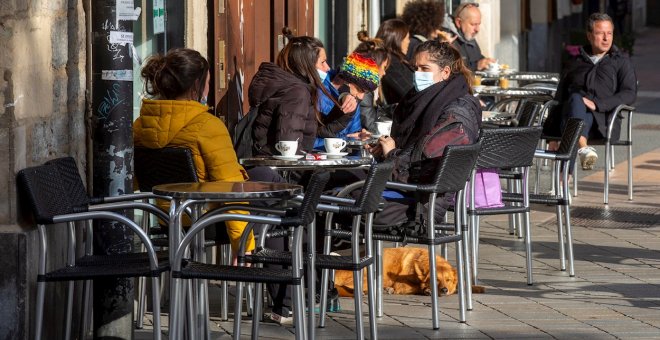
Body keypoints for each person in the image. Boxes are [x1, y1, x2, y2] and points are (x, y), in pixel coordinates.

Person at [133, 48, 255, 255]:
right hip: (206, 221)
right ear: (196, 86)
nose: (209, 88)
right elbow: (230, 188)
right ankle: (274, 280)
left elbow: (134, 179)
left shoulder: (140, 126)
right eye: (207, 82)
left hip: (166, 218)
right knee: (274, 210)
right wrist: (243, 245)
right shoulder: (208, 125)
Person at [366, 40, 481, 225]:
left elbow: (426, 169)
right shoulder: (424, 100)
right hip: (409, 189)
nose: (417, 74)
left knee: (342, 196)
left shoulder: (454, 112)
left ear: (445, 72)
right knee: (339, 186)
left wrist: (391, 154)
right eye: (415, 68)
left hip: (422, 204)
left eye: (425, 69)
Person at [547, 12, 636, 170]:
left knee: (574, 115)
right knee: (575, 101)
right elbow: (559, 97)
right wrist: (550, 136)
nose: (606, 38)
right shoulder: (575, 63)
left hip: (603, 124)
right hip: (571, 120)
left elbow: (629, 93)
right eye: (600, 33)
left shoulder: (621, 62)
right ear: (589, 36)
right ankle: (583, 147)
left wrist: (599, 104)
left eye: (609, 33)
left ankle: (563, 181)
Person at [248, 32, 331, 156]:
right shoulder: (297, 92)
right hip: (278, 167)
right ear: (306, 64)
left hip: (271, 161)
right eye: (323, 62)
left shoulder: (292, 87)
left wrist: (345, 112)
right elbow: (289, 149)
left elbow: (308, 129)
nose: (328, 68)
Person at [443, 2, 496, 71]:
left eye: (478, 24)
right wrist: (476, 66)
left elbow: (478, 58)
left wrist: (486, 62)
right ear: (458, 22)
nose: (477, 29)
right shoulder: (446, 39)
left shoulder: (467, 35)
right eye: (473, 24)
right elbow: (451, 70)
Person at [376, 19, 414, 109]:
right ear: (398, 39)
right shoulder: (391, 64)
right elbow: (408, 92)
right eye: (407, 38)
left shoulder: (397, 59)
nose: (409, 41)